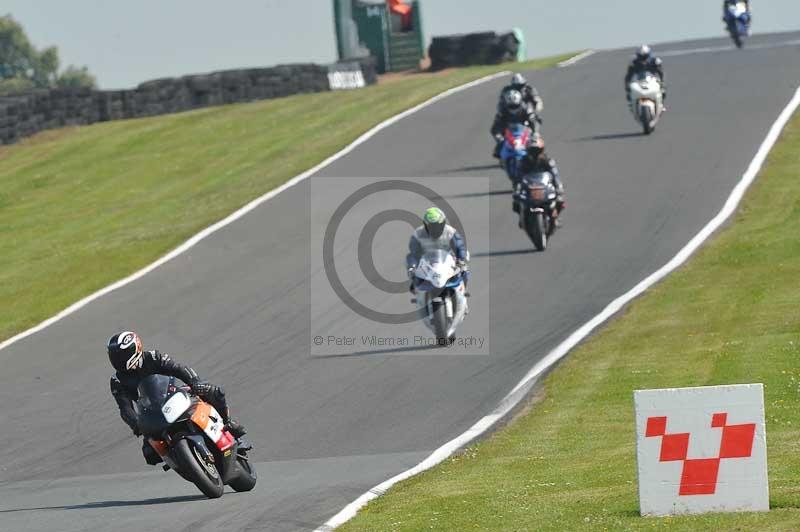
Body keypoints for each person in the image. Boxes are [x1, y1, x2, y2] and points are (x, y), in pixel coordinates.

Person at [108, 331, 246, 465]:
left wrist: (195, 382)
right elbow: (124, 408)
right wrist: (136, 424)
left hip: (173, 394)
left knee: (213, 392)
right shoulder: (117, 381)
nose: (118, 360)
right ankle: (180, 461)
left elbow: (178, 368)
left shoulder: (153, 357)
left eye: (122, 356)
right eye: (115, 357)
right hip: (150, 413)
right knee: (150, 454)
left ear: (135, 348)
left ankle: (228, 423)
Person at [406, 207, 470, 293]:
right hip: (427, 264)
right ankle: (418, 291)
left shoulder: (450, 231)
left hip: (448, 262)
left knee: (464, 269)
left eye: (437, 226)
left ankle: (463, 290)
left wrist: (461, 259)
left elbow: (460, 246)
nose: (435, 229)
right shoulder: (418, 234)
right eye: (431, 226)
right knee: (410, 266)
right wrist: (412, 267)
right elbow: (413, 253)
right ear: (425, 225)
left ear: (443, 223)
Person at [513, 135, 566, 225]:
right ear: (528, 151)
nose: (535, 154)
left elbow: (555, 175)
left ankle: (555, 217)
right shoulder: (523, 162)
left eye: (537, 151)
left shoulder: (548, 161)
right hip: (530, 187)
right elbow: (518, 177)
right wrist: (517, 188)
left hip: (545, 187)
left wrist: (559, 187)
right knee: (516, 203)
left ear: (542, 150)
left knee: (560, 201)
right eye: (532, 151)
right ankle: (522, 218)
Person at [491, 87, 540, 159]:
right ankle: (504, 158)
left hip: (524, 131)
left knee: (537, 144)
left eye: (515, 106)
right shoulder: (502, 111)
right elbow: (495, 126)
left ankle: (540, 159)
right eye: (511, 106)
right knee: (498, 150)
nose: (513, 108)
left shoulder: (526, 108)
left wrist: (535, 132)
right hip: (508, 133)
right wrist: (498, 136)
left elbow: (533, 120)